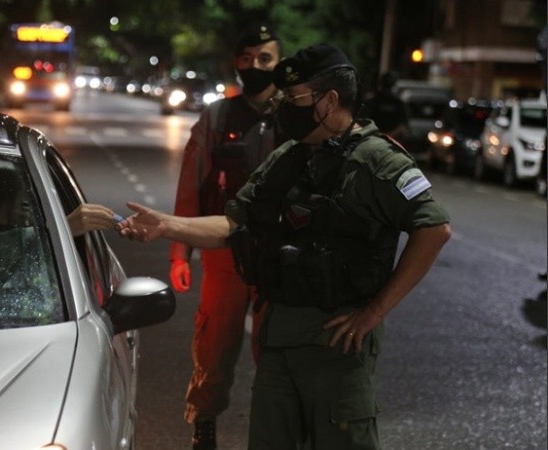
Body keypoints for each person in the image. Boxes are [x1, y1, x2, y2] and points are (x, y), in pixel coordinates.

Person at [116, 43, 452, 450]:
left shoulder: (377, 160)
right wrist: (168, 226)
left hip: (337, 345)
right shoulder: (288, 158)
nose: (284, 108)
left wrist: (373, 313)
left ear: (329, 102)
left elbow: (433, 229)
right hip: (278, 339)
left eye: (295, 99)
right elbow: (232, 224)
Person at [168, 22, 286, 450]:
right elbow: (191, 186)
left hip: (279, 253)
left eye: (265, 59)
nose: (254, 66)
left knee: (274, 351)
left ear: (279, 63)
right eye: (246, 59)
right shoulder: (217, 116)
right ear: (235, 63)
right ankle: (204, 427)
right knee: (214, 345)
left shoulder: (297, 115)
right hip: (223, 250)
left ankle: (273, 434)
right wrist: (180, 253)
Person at [363, 70, 409, 140]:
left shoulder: (398, 102)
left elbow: (403, 124)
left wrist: (390, 135)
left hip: (392, 139)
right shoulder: (374, 100)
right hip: (374, 137)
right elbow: (365, 120)